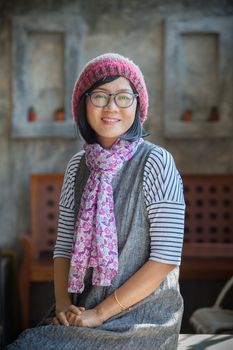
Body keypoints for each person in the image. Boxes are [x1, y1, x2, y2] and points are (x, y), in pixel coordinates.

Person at [8, 53, 185, 350]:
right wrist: (64, 305)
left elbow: (165, 258)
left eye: (123, 97)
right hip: (81, 311)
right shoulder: (77, 166)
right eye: (100, 96)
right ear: (83, 104)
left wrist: (100, 314)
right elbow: (64, 246)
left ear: (138, 104)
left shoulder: (156, 161)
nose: (111, 107)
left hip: (142, 319)